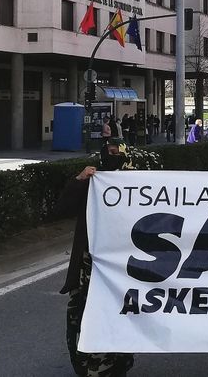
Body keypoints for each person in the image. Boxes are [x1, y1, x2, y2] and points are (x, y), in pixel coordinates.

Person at [55, 140, 135, 377]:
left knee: (117, 315)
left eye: (116, 153)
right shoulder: (92, 182)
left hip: (122, 268)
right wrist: (79, 181)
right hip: (89, 267)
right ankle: (88, 363)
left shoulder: (138, 185)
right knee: (84, 315)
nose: (111, 157)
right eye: (108, 153)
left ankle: (115, 362)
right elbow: (62, 209)